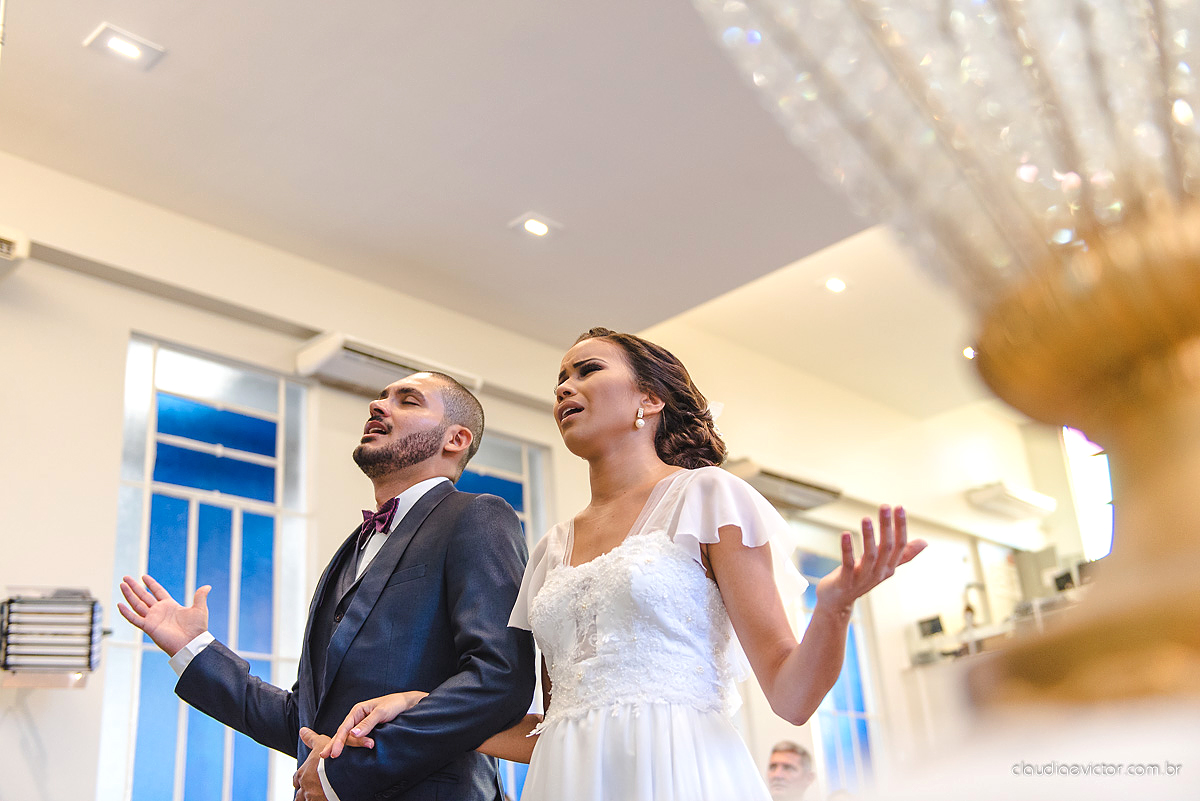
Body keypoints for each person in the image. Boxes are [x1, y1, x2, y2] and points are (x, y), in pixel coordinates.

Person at [322, 329, 926, 800]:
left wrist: (836, 607)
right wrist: (420, 707)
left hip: (681, 770)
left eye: (587, 371)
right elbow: (554, 726)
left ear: (650, 399)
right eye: (559, 378)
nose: (563, 387)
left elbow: (792, 697)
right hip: (568, 780)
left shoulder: (708, 496)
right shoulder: (552, 547)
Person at [118, 371, 536, 801]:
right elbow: (303, 722)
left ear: (456, 439)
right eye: (380, 396)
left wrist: (343, 771)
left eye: (408, 400)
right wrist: (193, 648)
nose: (378, 405)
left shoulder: (478, 516)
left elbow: (498, 679)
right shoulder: (348, 552)